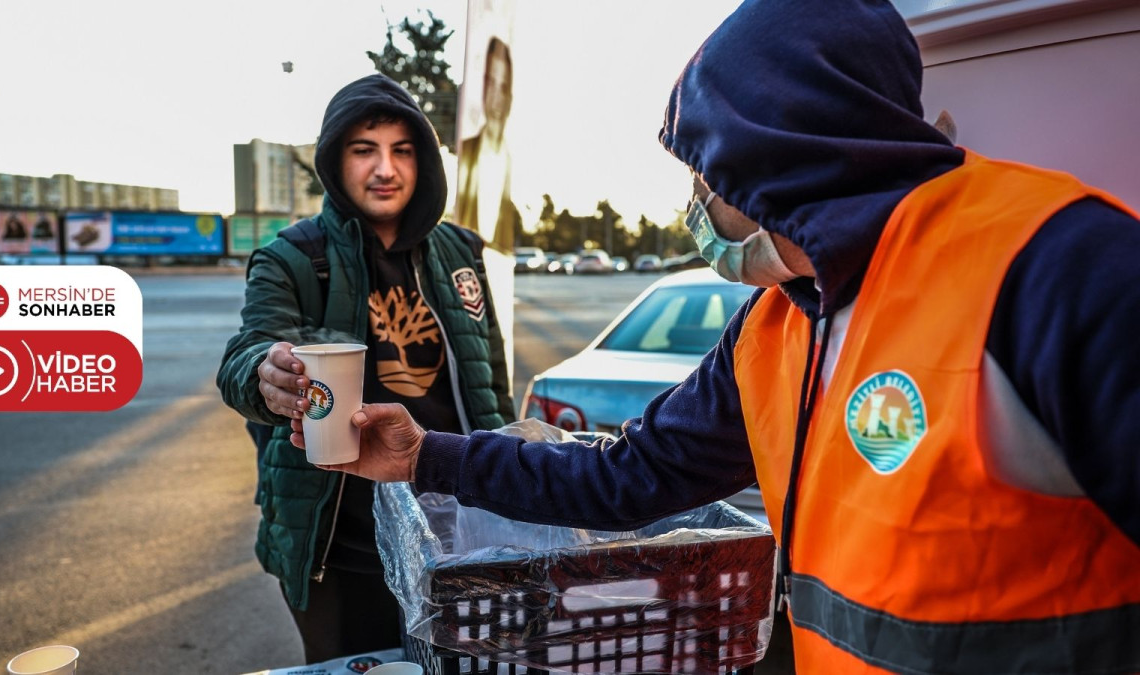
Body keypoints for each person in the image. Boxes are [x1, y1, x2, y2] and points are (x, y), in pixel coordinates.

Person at [292, 1, 1140, 673]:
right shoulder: (776, 326)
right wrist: (423, 456)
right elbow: (623, 477)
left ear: (776, 147)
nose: (697, 200)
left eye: (706, 167)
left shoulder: (1061, 267)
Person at [217, 73, 515, 664]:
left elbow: (492, 383)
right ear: (335, 161)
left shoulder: (463, 253)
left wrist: (509, 489)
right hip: (340, 548)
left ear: (425, 160)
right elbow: (244, 355)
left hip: (459, 539)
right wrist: (265, 375)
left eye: (402, 150)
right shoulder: (294, 257)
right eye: (364, 150)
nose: (385, 168)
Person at [455, 36, 515, 252]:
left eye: (502, 86)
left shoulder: (511, 163)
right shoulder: (465, 153)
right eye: (490, 82)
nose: (495, 96)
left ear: (510, 96)